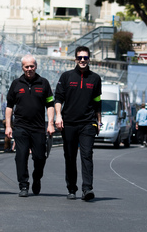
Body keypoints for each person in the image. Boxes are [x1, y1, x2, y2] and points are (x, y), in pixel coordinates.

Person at [53, 46, 102, 202]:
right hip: (69, 123)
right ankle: (71, 188)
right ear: (75, 58)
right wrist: (58, 116)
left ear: (89, 59)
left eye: (85, 58)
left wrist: (99, 121)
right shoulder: (66, 77)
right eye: (80, 58)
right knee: (70, 156)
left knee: (87, 155)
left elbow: (97, 102)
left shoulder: (95, 78)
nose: (82, 60)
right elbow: (58, 99)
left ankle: (87, 188)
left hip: (88, 123)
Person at [5, 54, 55, 197]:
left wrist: (50, 124)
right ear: (22, 68)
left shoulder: (44, 83)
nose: (29, 69)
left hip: (38, 128)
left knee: (40, 157)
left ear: (36, 66)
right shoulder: (16, 84)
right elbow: (9, 106)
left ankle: (37, 178)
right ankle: (23, 185)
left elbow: (50, 105)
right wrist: (8, 126)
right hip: (20, 127)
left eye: (32, 66)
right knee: (21, 156)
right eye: (26, 67)